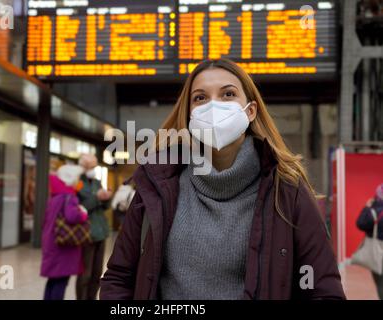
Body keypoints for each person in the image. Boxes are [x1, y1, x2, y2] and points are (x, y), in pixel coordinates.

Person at [100, 58, 345, 300]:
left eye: (228, 94)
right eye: (200, 98)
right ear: (189, 117)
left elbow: (322, 289)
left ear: (250, 111)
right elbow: (119, 278)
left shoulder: (286, 189)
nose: (213, 106)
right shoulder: (156, 186)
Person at [40, 164, 88, 300]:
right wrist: (83, 214)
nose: (79, 182)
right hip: (63, 247)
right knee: (61, 282)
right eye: (78, 178)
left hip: (52, 241)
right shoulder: (69, 197)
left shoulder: (56, 195)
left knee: (53, 280)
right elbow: (72, 216)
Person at [75, 154, 112, 300]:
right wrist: (97, 198)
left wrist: (106, 198)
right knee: (85, 274)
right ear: (83, 167)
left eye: (95, 166)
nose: (93, 170)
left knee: (97, 274)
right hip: (86, 233)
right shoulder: (77, 183)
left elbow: (105, 207)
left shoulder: (97, 182)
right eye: (91, 167)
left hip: (101, 232)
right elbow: (79, 208)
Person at [356, 183, 383, 299]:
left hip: (378, 254)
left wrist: (367, 207)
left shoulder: (375, 211)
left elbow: (360, 223)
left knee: (381, 283)